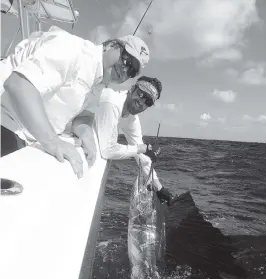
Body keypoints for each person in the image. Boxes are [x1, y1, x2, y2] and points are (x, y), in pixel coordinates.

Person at [0, 26, 149, 178]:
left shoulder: (99, 82)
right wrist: (52, 141)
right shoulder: (72, 48)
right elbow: (19, 85)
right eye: (126, 60)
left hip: (28, 137)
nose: (125, 70)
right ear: (111, 46)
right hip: (7, 124)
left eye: (131, 71)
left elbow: (84, 116)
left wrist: (87, 136)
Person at [71, 76, 173, 205]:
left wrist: (160, 188)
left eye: (148, 101)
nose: (141, 102)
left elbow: (142, 157)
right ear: (132, 88)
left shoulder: (132, 119)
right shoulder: (112, 101)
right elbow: (107, 151)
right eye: (141, 94)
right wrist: (142, 148)